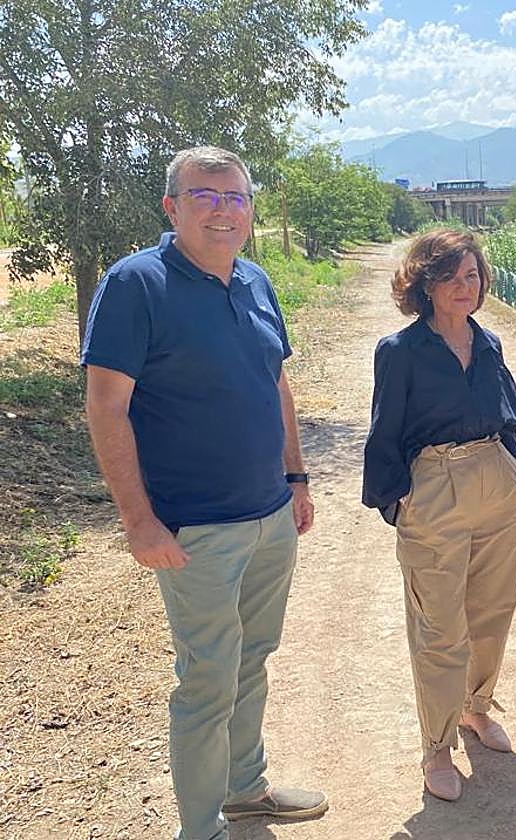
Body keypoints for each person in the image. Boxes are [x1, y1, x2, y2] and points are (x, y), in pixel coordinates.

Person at [82, 146, 325, 840]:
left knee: (252, 660)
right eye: (205, 196)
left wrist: (296, 478)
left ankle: (246, 790)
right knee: (208, 680)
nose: (223, 211)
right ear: (172, 207)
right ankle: (201, 828)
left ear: (249, 208)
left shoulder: (254, 279)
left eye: (235, 197)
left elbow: (275, 383)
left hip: (270, 515)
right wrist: (139, 522)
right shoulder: (136, 284)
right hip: (197, 531)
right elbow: (106, 406)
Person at [362, 228, 516, 802]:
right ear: (425, 284)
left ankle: (477, 708)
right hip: (435, 485)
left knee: (492, 610)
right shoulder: (400, 351)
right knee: (439, 628)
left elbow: (509, 413)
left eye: (472, 275)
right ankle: (436, 747)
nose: (464, 286)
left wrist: (511, 468)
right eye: (451, 277)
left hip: (496, 483)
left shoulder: (489, 343)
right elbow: (384, 432)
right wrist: (400, 502)